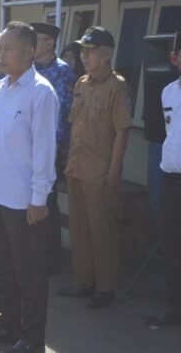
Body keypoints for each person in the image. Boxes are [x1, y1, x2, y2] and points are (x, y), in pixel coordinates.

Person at [0, 21, 58, 353]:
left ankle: (33, 338)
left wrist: (39, 199)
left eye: (7, 48)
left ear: (29, 52)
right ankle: (9, 326)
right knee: (2, 267)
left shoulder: (40, 92)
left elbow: (44, 150)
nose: (0, 54)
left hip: (23, 201)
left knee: (30, 273)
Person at [59, 26, 132, 309]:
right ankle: (84, 281)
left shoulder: (118, 86)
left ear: (107, 54)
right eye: (83, 52)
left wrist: (113, 173)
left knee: (102, 232)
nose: (85, 57)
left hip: (100, 172)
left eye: (91, 52)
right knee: (79, 230)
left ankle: (105, 287)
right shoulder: (81, 83)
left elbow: (122, 132)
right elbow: (74, 125)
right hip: (77, 168)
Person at [30, 22, 77, 275]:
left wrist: (53, 148)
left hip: (53, 148)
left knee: (46, 199)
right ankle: (32, 253)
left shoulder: (63, 72)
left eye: (36, 39)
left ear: (49, 43)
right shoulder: (29, 70)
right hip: (27, 148)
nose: (31, 45)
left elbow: (65, 116)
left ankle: (50, 258)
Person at [145, 31, 181, 327]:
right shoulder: (168, 91)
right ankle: (175, 306)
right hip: (171, 181)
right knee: (172, 247)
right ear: (174, 58)